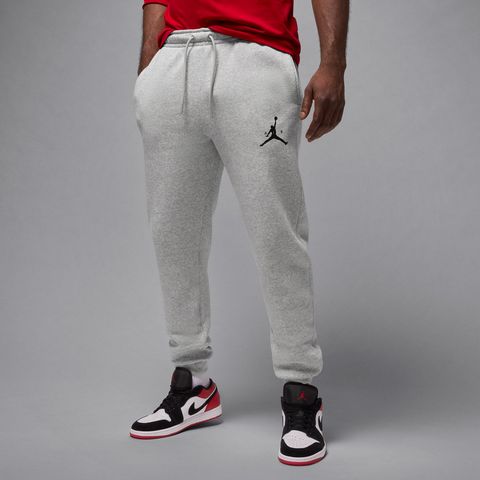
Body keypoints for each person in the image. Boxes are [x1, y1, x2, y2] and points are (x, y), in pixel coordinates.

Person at [130, 0, 349, 466]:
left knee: (276, 231)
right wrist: (148, 72)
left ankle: (301, 392)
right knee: (173, 233)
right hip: (174, 61)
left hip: (256, 59)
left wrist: (334, 63)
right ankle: (192, 384)